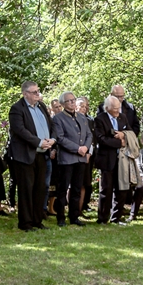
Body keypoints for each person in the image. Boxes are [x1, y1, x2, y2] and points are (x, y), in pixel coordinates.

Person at [8, 81, 55, 231]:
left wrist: (52, 139)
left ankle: (37, 220)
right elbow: (20, 130)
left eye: (38, 91)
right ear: (25, 94)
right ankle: (25, 223)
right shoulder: (17, 109)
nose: (37, 94)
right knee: (26, 190)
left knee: (40, 189)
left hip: (42, 154)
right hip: (25, 155)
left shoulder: (41, 106)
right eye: (34, 92)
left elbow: (51, 124)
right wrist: (39, 142)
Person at [52, 91, 92, 227]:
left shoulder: (81, 117)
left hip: (81, 158)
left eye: (73, 100)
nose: (72, 102)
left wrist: (85, 148)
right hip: (66, 159)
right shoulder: (58, 118)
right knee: (62, 189)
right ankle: (61, 217)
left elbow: (89, 135)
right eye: (69, 101)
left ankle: (74, 216)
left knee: (77, 188)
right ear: (63, 104)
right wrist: (77, 148)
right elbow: (60, 138)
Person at [94, 95, 131, 224]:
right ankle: (102, 218)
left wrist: (123, 135)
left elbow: (130, 133)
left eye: (118, 108)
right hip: (107, 160)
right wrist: (119, 143)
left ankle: (116, 217)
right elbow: (101, 139)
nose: (117, 111)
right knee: (106, 189)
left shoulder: (123, 117)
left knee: (121, 189)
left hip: (122, 159)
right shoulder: (100, 119)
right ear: (107, 108)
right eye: (114, 108)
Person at [76, 96, 96, 213]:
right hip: (74, 154)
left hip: (87, 155)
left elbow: (91, 138)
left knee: (85, 183)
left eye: (85, 106)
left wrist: (89, 152)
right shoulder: (70, 119)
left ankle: (81, 208)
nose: (83, 108)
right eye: (81, 106)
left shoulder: (89, 120)